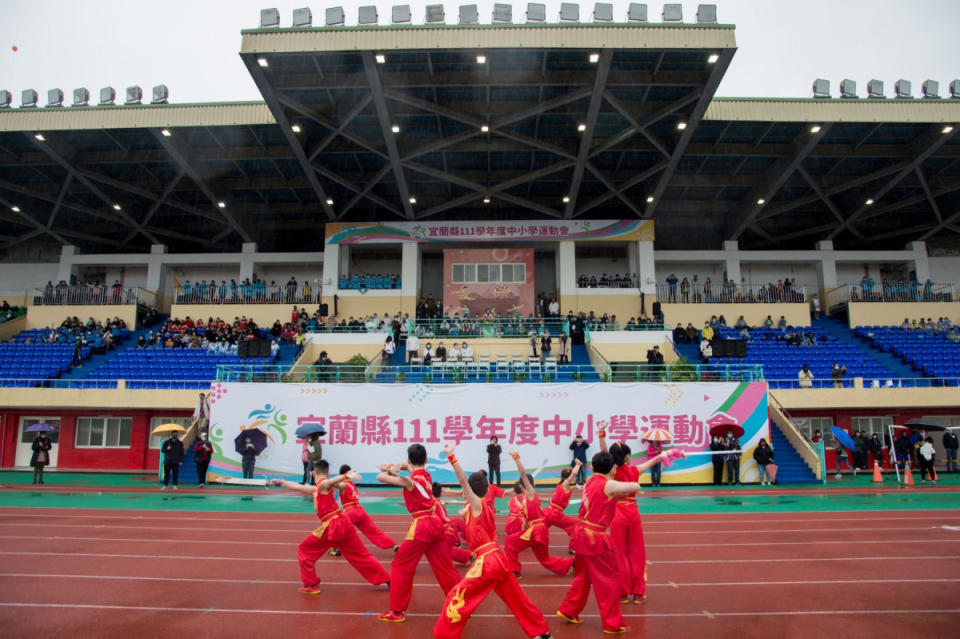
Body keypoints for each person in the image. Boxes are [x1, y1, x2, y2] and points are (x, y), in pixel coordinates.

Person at [556, 448, 683, 635]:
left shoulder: (591, 481)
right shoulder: (607, 484)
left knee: (583, 577)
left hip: (581, 535)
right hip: (594, 538)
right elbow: (633, 486)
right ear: (613, 468)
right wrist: (632, 486)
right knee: (608, 580)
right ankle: (612, 623)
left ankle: (569, 609)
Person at [433, 443, 552, 639]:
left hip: (486, 561)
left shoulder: (478, 504)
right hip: (497, 558)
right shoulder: (478, 506)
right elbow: (465, 498)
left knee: (456, 597)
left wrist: (451, 457)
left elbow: (462, 480)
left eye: (467, 489)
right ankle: (541, 632)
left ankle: (443, 635)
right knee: (517, 599)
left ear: (471, 490)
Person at [267, 462, 390, 595]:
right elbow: (298, 486)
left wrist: (345, 476)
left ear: (313, 472)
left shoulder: (323, 485)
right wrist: (282, 482)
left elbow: (327, 483)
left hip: (333, 525)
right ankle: (389, 580)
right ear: (328, 471)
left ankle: (311, 584)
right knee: (361, 555)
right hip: (344, 523)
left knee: (305, 550)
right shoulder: (317, 488)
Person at [376, 444, 461, 623]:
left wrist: (390, 469)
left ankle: (397, 611)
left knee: (400, 565)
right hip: (436, 523)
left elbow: (380, 477)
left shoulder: (410, 481)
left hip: (422, 526)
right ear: (426, 460)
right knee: (444, 566)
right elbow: (412, 466)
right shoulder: (426, 475)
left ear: (409, 460)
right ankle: (460, 603)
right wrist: (398, 466)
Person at [504, 451, 573, 579]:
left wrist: (516, 458)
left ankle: (515, 572)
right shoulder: (525, 498)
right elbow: (525, 520)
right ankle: (571, 563)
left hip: (536, 530)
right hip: (537, 531)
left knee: (509, 542)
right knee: (545, 560)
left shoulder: (530, 494)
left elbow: (523, 474)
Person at [598, 431, 649, 604]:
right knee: (637, 553)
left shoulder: (612, 474)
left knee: (619, 553)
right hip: (632, 514)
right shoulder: (635, 470)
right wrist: (665, 455)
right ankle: (638, 593)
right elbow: (653, 461)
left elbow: (604, 452)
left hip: (617, 514)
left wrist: (601, 433)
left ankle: (622, 592)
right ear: (627, 457)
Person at [334, 464, 398, 552]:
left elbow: (336, 484)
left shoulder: (344, 484)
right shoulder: (352, 483)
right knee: (374, 531)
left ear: (342, 474)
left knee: (337, 528)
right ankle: (393, 546)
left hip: (350, 512)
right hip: (360, 510)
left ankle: (336, 549)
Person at [544, 463, 580, 555]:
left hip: (547, 511)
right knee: (576, 524)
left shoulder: (560, 485)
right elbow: (574, 474)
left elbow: (568, 487)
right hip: (555, 514)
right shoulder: (565, 485)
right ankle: (573, 548)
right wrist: (578, 464)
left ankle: (522, 539)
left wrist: (576, 487)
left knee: (537, 527)